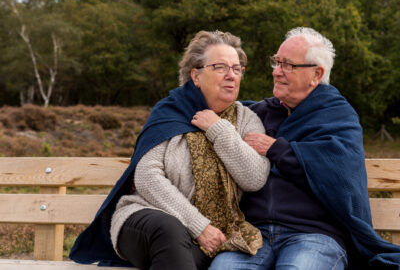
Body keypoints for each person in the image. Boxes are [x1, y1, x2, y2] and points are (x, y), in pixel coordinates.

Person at [69, 30, 270, 270]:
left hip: (208, 240)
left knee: (181, 257)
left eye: (237, 69)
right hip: (147, 219)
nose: (231, 75)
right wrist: (199, 225)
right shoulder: (169, 113)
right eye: (220, 67)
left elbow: (255, 178)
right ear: (196, 76)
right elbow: (147, 177)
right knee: (170, 230)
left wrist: (219, 129)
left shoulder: (247, 119)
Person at [209, 27, 400, 270]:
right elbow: (213, 108)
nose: (276, 72)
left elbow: (339, 172)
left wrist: (278, 150)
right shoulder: (257, 114)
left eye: (287, 65)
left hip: (314, 235)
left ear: (316, 74)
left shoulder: (338, 115)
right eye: (276, 62)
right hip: (253, 234)